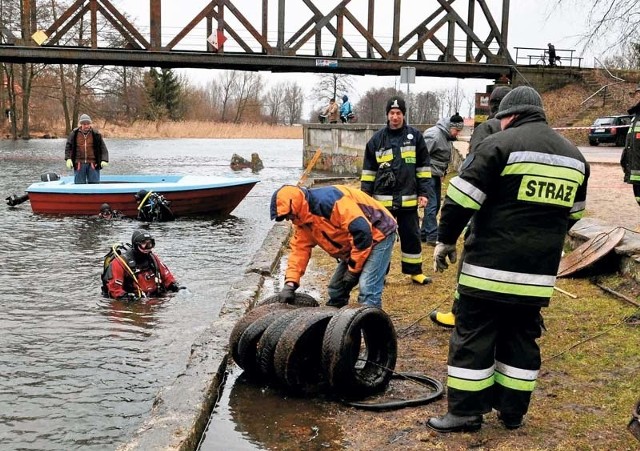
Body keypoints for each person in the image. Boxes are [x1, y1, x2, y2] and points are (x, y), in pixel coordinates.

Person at [427, 86, 589, 433]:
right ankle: (512, 414)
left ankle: (465, 413)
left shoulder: (499, 145)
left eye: (501, 119)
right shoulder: (575, 156)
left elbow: (460, 200)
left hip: (488, 270)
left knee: (473, 338)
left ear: (510, 116)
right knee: (520, 339)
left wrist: (444, 241)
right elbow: (573, 215)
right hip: (537, 276)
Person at [430, 86, 512, 328]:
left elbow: (472, 172)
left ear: (492, 106)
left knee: (472, 257)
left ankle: (459, 312)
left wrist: (449, 234)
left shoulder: (487, 128)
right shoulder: (528, 131)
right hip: (514, 211)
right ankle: (503, 312)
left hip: (486, 205)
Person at [270, 184, 397, 309]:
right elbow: (299, 252)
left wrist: (353, 271)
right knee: (336, 289)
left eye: (287, 215)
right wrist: (290, 284)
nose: (288, 220)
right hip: (355, 243)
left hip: (379, 232)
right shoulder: (303, 222)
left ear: (295, 206)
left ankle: (373, 327)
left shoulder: (331, 202)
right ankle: (336, 323)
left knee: (368, 287)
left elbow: (362, 233)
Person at [361, 95, 433, 285]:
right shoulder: (376, 140)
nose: (395, 117)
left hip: (408, 201)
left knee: (412, 236)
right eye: (392, 113)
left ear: (403, 115)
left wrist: (424, 193)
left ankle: (415, 272)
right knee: (381, 240)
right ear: (387, 115)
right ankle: (379, 274)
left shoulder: (415, 137)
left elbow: (424, 168)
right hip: (382, 203)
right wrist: (364, 198)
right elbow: (368, 173)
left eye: (398, 113)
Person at [420, 112, 465, 246]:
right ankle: (432, 236)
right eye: (457, 130)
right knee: (431, 205)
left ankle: (423, 234)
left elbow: (442, 158)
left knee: (436, 204)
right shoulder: (434, 136)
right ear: (450, 127)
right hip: (428, 175)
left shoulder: (446, 137)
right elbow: (422, 156)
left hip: (436, 174)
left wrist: (442, 173)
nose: (457, 133)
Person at [103, 230, 183, 301]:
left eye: (150, 243)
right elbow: (114, 289)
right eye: (144, 244)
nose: (148, 247)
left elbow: (167, 277)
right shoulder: (120, 262)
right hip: (135, 301)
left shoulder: (153, 258)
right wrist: (127, 298)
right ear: (136, 245)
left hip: (153, 298)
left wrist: (175, 286)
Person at [64, 114, 109, 184]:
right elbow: (68, 147)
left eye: (88, 124)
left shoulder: (96, 134)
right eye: (84, 124)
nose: (86, 126)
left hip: (93, 163)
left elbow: (103, 148)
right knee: (79, 185)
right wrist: (68, 159)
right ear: (81, 124)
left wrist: (104, 159)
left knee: (95, 185)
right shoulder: (74, 134)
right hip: (79, 163)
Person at [620, 82, 640, 206]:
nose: (637, 96)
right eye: (636, 93)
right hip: (636, 171)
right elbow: (631, 144)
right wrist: (624, 160)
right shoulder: (636, 116)